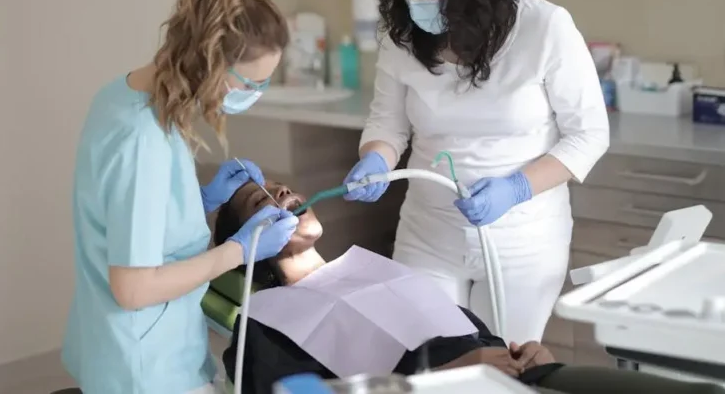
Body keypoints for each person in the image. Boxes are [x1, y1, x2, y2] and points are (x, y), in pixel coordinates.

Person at [342, 0, 610, 344]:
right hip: (428, 233)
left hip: (522, 240)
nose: (414, 3)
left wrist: (517, 188)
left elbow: (589, 135)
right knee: (429, 361)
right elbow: (388, 123)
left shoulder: (544, 27)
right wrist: (376, 158)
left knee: (501, 368)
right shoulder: (401, 35)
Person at [214, 180, 723, 394]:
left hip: (529, 377)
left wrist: (521, 351)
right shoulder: (264, 324)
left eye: (280, 186)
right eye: (260, 204)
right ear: (245, 244)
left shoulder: (375, 268)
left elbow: (464, 330)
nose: (281, 192)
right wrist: (449, 376)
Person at [62, 0, 300, 394]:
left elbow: (129, 216)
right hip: (146, 369)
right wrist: (238, 251)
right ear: (212, 63)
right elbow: (133, 288)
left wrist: (201, 200)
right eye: (254, 83)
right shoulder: (142, 140)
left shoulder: (126, 96)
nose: (257, 95)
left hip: (131, 348)